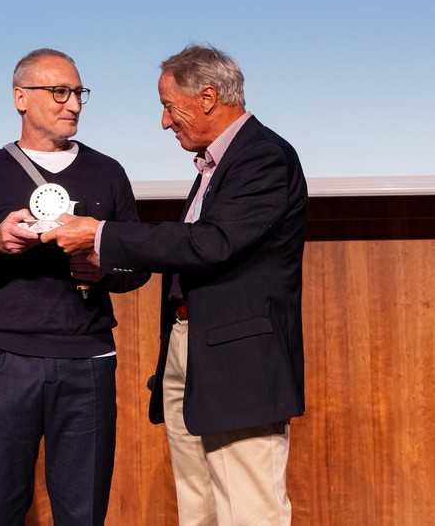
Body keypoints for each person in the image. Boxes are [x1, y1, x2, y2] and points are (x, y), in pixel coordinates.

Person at [43, 44, 307, 525]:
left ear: (208, 97)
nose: (165, 122)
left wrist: (101, 233)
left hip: (239, 367)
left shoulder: (263, 158)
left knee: (250, 511)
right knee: (198, 510)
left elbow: (213, 243)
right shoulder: (214, 165)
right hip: (192, 355)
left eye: (169, 106)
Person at [0, 48, 149, 525]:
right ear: (20, 98)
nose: (72, 104)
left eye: (77, 93)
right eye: (59, 92)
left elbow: (139, 268)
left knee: (82, 510)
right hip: (5, 363)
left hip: (88, 363)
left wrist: (103, 266)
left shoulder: (107, 172)